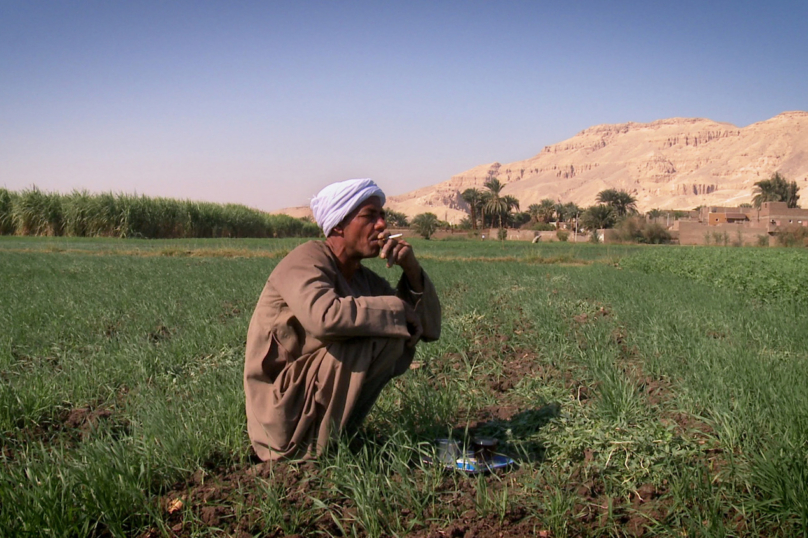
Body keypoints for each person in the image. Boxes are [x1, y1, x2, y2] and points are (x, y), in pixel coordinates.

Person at [244, 178, 441, 461]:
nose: (382, 226)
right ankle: (311, 448)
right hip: (280, 413)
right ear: (338, 225)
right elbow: (324, 318)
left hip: (307, 401)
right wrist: (398, 310)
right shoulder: (305, 259)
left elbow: (427, 328)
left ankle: (336, 438)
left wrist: (411, 269)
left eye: (382, 216)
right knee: (380, 332)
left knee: (388, 333)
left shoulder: (363, 279)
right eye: (369, 216)